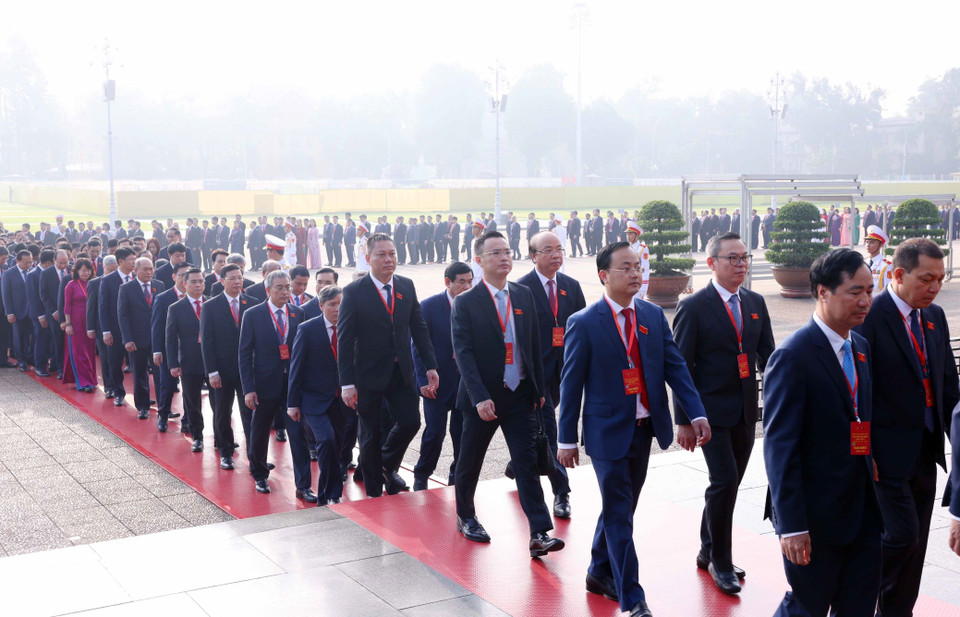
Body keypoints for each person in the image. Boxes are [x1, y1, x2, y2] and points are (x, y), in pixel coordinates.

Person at [557, 241, 710, 617]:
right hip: (606, 433)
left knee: (619, 508)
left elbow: (676, 368)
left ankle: (598, 571)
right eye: (625, 268)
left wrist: (696, 413)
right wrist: (565, 439)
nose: (635, 274)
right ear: (604, 275)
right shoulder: (584, 322)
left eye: (638, 267)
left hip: (644, 429)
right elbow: (570, 385)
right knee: (620, 513)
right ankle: (633, 596)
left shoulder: (652, 316)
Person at [763, 248, 881, 616]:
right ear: (823, 292)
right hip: (815, 514)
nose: (865, 301)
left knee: (858, 604)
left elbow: (857, 416)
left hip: (861, 507)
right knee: (807, 605)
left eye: (869, 291)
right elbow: (780, 448)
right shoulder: (793, 356)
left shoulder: (858, 347)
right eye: (855, 292)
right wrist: (793, 525)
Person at [854, 238, 959, 616]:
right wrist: (865, 451)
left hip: (925, 450)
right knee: (900, 536)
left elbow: (947, 384)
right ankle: (852, 594)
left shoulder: (934, 317)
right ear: (898, 275)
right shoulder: (868, 317)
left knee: (914, 547)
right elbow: (856, 395)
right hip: (884, 455)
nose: (934, 288)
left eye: (941, 279)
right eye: (926, 279)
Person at [671, 232, 775, 595]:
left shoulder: (756, 302)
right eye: (732, 258)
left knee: (725, 486)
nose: (741, 264)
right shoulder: (694, 306)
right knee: (724, 482)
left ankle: (707, 549)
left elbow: (769, 360)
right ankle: (721, 561)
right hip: (708, 414)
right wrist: (683, 419)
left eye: (744, 257)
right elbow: (679, 366)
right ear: (711, 262)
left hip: (746, 411)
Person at [450, 230, 564, 558]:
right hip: (483, 398)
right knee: (470, 461)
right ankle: (466, 515)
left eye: (507, 251)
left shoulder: (524, 295)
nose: (504, 257)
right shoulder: (466, 302)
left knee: (527, 463)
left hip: (520, 396)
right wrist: (479, 396)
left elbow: (532, 346)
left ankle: (539, 532)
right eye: (496, 252)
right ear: (479, 260)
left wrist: (539, 389)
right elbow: (464, 353)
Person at [338, 232, 438, 497]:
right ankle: (373, 490)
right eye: (381, 254)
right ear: (369, 258)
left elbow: (419, 328)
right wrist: (347, 384)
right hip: (368, 375)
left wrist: (430, 366)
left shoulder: (405, 285)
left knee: (411, 422)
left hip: (402, 372)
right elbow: (345, 340)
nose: (388, 259)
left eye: (392, 253)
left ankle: (382, 464)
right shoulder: (354, 292)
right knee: (370, 434)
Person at [513, 231, 586, 518]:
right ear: (533, 256)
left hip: (565, 371)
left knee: (539, 432)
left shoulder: (571, 286)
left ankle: (518, 463)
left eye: (559, 249)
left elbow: (582, 327)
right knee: (550, 430)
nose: (556, 254)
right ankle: (562, 491)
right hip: (536, 374)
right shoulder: (521, 288)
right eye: (548, 250)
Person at [239, 269, 307, 495]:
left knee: (298, 436)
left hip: (292, 386)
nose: (285, 291)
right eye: (279, 287)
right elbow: (244, 353)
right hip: (264, 385)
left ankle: (303, 485)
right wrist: (248, 389)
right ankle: (259, 475)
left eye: (287, 287)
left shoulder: (298, 314)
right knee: (259, 433)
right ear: (268, 290)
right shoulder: (253, 314)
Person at [411, 262, 473, 491]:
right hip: (436, 382)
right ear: (448, 282)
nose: (467, 286)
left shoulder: (475, 306)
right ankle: (422, 473)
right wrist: (424, 381)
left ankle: (457, 475)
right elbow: (417, 347)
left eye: (470, 281)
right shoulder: (428, 307)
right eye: (461, 282)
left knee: (462, 433)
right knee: (435, 432)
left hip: (465, 383)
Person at [287, 284, 347, 505]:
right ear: (321, 305)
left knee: (337, 447)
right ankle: (329, 495)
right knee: (326, 440)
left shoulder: (351, 327)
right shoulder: (307, 329)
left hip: (341, 400)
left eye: (341, 304)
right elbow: (297, 367)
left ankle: (330, 493)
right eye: (332, 305)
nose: (337, 309)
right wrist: (292, 403)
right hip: (313, 400)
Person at [200, 263, 255, 469]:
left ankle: (255, 455)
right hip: (221, 372)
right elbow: (207, 342)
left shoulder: (253, 303)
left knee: (250, 413)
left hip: (247, 371)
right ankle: (226, 452)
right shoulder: (211, 306)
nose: (237, 282)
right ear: (222, 281)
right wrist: (212, 371)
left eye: (239, 277)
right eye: (232, 278)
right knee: (222, 413)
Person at [166, 268, 207, 452]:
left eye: (201, 281)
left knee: (220, 403)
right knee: (192, 402)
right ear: (185, 284)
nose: (198, 285)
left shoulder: (213, 304)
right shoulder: (176, 308)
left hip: (213, 361)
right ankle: (197, 436)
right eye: (194, 282)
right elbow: (171, 338)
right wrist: (173, 364)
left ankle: (224, 438)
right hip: (189, 361)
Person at [118, 257, 164, 419]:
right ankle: (143, 406)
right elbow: (123, 316)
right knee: (139, 373)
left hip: (157, 338)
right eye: (145, 269)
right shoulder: (126, 288)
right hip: (137, 340)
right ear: (135, 270)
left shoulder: (159, 285)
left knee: (160, 374)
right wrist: (127, 339)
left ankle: (163, 407)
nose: (149, 272)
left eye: (151, 268)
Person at [151, 261, 188, 433]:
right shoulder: (163, 298)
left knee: (190, 386)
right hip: (169, 350)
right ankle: (163, 415)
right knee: (167, 384)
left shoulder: (198, 297)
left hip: (191, 351)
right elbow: (157, 326)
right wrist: (157, 350)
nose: (185, 279)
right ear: (174, 277)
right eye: (182, 275)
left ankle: (188, 420)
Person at [61, 259, 97, 392]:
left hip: (90, 322)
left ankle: (91, 379)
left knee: (89, 352)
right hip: (76, 322)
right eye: (83, 270)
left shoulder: (94, 283)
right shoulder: (71, 285)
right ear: (77, 271)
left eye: (88, 270)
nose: (86, 273)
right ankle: (85, 382)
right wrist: (68, 323)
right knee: (79, 352)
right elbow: (67, 306)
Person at [3, 250, 34, 371]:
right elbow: (6, 295)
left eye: (30, 262)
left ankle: (30, 357)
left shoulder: (32, 272)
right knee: (19, 337)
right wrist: (9, 312)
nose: (29, 265)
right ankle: (21, 360)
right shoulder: (9, 274)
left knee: (31, 336)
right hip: (17, 311)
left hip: (31, 311)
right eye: (26, 262)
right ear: (17, 261)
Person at [40, 249, 69, 379]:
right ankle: (60, 368)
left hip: (71, 313)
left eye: (66, 262)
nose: (63, 266)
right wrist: (54, 311)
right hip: (55, 314)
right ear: (54, 261)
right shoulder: (46, 273)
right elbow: (44, 295)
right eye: (60, 263)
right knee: (58, 341)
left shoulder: (73, 270)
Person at [27, 249, 54, 377]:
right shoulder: (33, 275)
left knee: (48, 339)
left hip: (50, 313)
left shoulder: (49, 273)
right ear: (48, 262)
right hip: (39, 314)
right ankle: (40, 366)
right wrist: (41, 316)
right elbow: (33, 298)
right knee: (41, 339)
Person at [864, 225, 893, 293]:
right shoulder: (863, 262)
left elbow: (888, 290)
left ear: (881, 245)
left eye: (872, 242)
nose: (868, 245)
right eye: (867, 242)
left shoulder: (886, 265)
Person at [625, 222, 650, 301]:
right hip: (627, 281)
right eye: (627, 234)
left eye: (631, 234)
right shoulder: (626, 247)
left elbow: (645, 268)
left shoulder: (642, 248)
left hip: (637, 282)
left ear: (637, 235)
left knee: (637, 305)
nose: (628, 237)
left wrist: (644, 286)